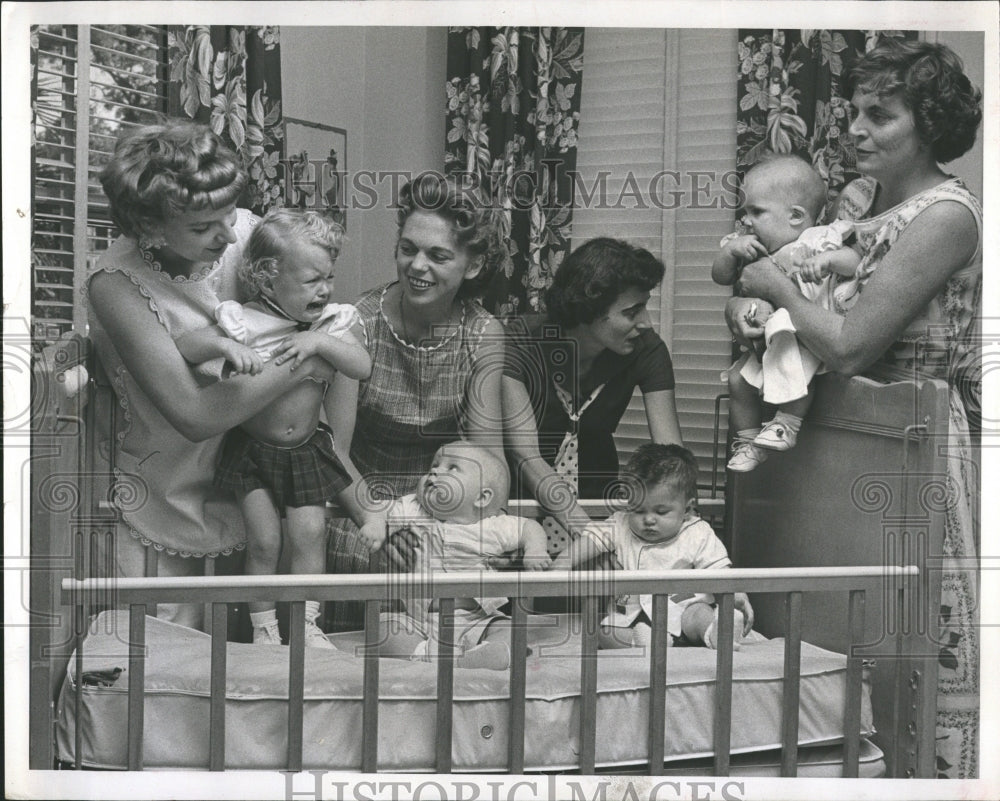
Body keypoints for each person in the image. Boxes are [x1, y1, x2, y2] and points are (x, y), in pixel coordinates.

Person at [727, 40, 982, 779]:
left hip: (912, 439)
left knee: (909, 659)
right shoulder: (859, 203)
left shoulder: (947, 216)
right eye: (856, 113)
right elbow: (780, 292)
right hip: (830, 433)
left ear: (927, 123)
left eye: (882, 114)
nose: (858, 129)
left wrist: (773, 285)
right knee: (828, 656)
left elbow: (845, 344)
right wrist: (751, 302)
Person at [87, 121, 346, 630]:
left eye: (230, 214)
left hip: (255, 477)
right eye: (206, 227)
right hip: (170, 489)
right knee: (169, 666)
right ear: (149, 229)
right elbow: (195, 413)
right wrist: (305, 362)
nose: (229, 235)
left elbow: (314, 316)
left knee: (256, 656)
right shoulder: (115, 286)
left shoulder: (245, 233)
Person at [175, 208, 371, 647]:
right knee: (264, 542)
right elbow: (186, 346)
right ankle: (265, 629)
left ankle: (306, 625)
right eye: (312, 281)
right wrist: (223, 343)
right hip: (253, 451)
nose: (325, 290)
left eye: (329, 277)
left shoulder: (330, 323)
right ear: (267, 278)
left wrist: (320, 341)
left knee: (310, 537)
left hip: (306, 450)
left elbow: (361, 365)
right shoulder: (243, 319)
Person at [325, 173, 506, 631]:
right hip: (358, 511)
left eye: (438, 255)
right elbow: (332, 451)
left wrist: (472, 531)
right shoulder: (356, 325)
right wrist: (379, 522)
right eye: (408, 249)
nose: (417, 266)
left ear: (472, 265)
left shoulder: (483, 335)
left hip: (447, 513)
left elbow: (487, 461)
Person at [503, 237, 683, 558]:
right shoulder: (522, 339)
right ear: (589, 310)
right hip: (519, 505)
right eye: (632, 311)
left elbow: (672, 460)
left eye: (645, 306)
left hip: (596, 496)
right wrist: (596, 540)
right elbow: (525, 456)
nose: (646, 323)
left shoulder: (647, 349)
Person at [713, 156, 862, 472]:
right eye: (744, 211)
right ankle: (747, 442)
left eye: (757, 211)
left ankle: (787, 424)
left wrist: (829, 260)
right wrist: (729, 252)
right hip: (766, 335)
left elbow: (855, 264)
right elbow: (721, 277)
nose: (746, 220)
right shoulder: (749, 245)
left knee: (799, 374)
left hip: (804, 334)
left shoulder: (819, 240)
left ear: (796, 216)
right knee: (738, 381)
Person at [357, 441, 550, 669]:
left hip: (476, 621)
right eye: (435, 465)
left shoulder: (492, 527)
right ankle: (428, 655)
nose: (435, 471)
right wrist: (376, 526)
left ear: (481, 498)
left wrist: (535, 550)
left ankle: (480, 655)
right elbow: (382, 513)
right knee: (382, 627)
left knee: (512, 630)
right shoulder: (413, 509)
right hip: (419, 623)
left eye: (453, 468)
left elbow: (529, 527)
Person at [552, 444, 754, 650]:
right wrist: (563, 562)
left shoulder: (698, 532)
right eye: (638, 510)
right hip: (634, 616)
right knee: (605, 633)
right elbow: (592, 538)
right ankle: (645, 642)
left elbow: (718, 569)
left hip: (683, 609)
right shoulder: (620, 524)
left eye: (661, 511)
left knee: (700, 613)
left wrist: (737, 594)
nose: (648, 519)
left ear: (687, 509)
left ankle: (715, 635)